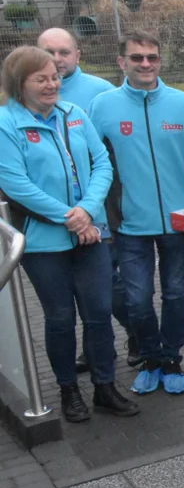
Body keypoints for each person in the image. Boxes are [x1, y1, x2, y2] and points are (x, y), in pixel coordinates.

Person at [0, 46, 139, 422]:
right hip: (44, 245)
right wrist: (70, 218)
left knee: (98, 314)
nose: (51, 84)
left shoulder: (74, 114)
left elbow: (101, 163)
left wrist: (87, 212)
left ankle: (105, 386)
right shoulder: (5, 124)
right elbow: (15, 184)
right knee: (60, 318)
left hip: (90, 234)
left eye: (55, 77)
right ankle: (68, 390)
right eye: (41, 79)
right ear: (19, 83)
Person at [87, 30, 184, 396]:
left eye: (152, 57)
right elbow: (92, 164)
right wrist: (100, 218)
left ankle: (172, 358)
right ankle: (149, 358)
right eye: (137, 57)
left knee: (175, 294)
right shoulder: (102, 107)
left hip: (177, 224)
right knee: (137, 300)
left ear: (160, 60)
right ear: (121, 62)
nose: (145, 64)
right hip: (128, 226)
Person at [37, 27, 139, 372]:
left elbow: (109, 157)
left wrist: (92, 211)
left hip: (100, 214)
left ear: (78, 55)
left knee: (108, 289)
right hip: (54, 222)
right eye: (48, 52)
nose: (57, 60)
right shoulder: (19, 107)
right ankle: (93, 355)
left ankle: (136, 333)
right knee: (71, 300)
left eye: (64, 52)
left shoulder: (99, 92)